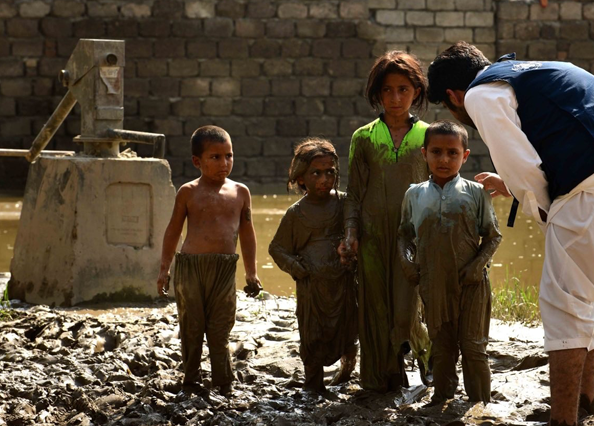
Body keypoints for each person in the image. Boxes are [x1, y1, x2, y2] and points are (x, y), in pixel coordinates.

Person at [427, 42, 594, 425]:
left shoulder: (480, 93)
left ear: (454, 96)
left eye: (451, 108)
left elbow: (524, 169)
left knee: (562, 301)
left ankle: (563, 419)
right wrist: (515, 186)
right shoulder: (527, 72)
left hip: (592, 185)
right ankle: (585, 401)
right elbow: (547, 149)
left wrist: (538, 205)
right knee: (581, 295)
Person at [341, 50, 431, 392]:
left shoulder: (429, 137)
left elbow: (442, 186)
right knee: (375, 311)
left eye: (403, 90)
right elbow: (354, 192)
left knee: (406, 313)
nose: (395, 98)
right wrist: (351, 232)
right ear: (377, 93)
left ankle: (426, 352)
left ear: (417, 93)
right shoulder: (363, 138)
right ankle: (385, 377)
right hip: (372, 235)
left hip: (412, 236)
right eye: (388, 90)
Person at [398, 120, 501, 404]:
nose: (444, 159)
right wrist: (408, 264)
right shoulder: (414, 194)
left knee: (473, 347)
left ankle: (480, 403)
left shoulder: (476, 193)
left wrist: (477, 266)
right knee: (442, 346)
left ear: (464, 156)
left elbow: (493, 237)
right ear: (424, 154)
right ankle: (442, 398)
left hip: (471, 283)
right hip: (433, 282)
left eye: (452, 153)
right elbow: (404, 236)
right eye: (437, 152)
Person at [156, 125, 263, 397]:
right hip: (191, 267)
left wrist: (251, 272)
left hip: (225, 268)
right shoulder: (188, 192)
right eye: (215, 157)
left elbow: (247, 233)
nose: (224, 163)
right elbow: (173, 231)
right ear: (197, 161)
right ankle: (190, 380)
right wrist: (164, 269)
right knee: (191, 327)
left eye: (229, 156)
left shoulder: (240, 192)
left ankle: (223, 381)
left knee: (220, 327)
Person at [268, 138, 358, 393]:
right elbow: (277, 248)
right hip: (312, 288)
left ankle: (346, 372)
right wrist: (298, 269)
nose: (324, 179)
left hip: (343, 283)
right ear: (301, 179)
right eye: (316, 173)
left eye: (330, 172)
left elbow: (357, 232)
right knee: (313, 335)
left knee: (348, 330)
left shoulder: (344, 203)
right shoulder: (296, 214)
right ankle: (314, 383)